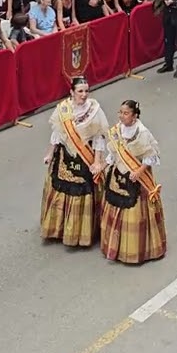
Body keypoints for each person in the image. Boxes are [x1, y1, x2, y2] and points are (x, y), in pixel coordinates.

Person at [40, 77, 109, 248]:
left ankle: (82, 233)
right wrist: (50, 154)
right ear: (72, 92)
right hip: (65, 157)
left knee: (82, 193)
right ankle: (60, 228)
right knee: (61, 189)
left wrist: (99, 162)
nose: (84, 95)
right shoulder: (63, 109)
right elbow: (57, 135)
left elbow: (98, 137)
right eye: (80, 91)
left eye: (86, 91)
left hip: (86, 158)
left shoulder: (94, 110)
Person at [100, 100, 167, 264]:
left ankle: (137, 250)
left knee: (135, 214)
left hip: (137, 178)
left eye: (126, 113)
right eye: (120, 112)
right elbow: (114, 153)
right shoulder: (117, 130)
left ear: (134, 115)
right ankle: (115, 247)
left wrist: (138, 171)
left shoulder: (142, 132)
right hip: (119, 175)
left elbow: (150, 155)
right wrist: (104, 165)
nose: (122, 116)